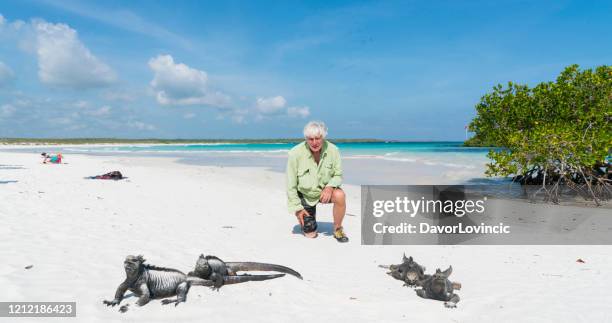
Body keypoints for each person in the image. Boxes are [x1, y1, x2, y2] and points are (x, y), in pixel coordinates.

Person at [286, 121, 349, 242]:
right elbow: (290, 184)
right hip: (304, 195)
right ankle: (306, 217)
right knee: (311, 234)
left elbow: (338, 175)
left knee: (340, 195)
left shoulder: (334, 150)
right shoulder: (295, 153)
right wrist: (298, 208)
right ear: (306, 139)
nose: (314, 143)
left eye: (317, 138)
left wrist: (330, 187)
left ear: (323, 137)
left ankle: (338, 229)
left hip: (324, 192)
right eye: (310, 139)